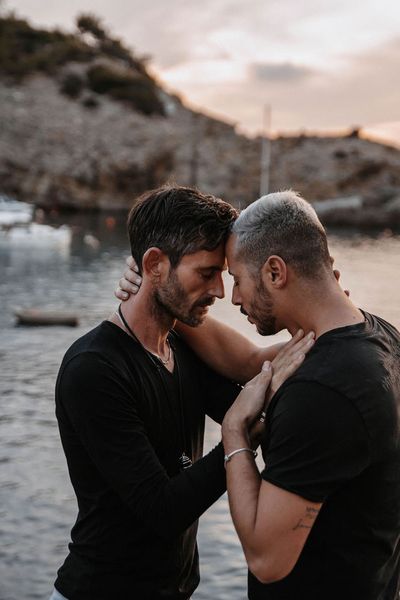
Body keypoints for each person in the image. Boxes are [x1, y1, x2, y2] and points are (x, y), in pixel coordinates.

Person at [118, 190, 400, 600]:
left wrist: (235, 433)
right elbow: (246, 359)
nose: (232, 296)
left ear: (274, 272)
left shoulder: (323, 392)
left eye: (236, 279)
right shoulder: (380, 338)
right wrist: (160, 289)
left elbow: (267, 561)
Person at [51, 186, 311, 600]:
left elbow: (254, 407)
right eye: (206, 273)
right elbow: (163, 511)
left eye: (222, 275)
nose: (220, 292)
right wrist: (236, 434)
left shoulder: (179, 349)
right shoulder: (94, 369)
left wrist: (322, 332)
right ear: (155, 263)